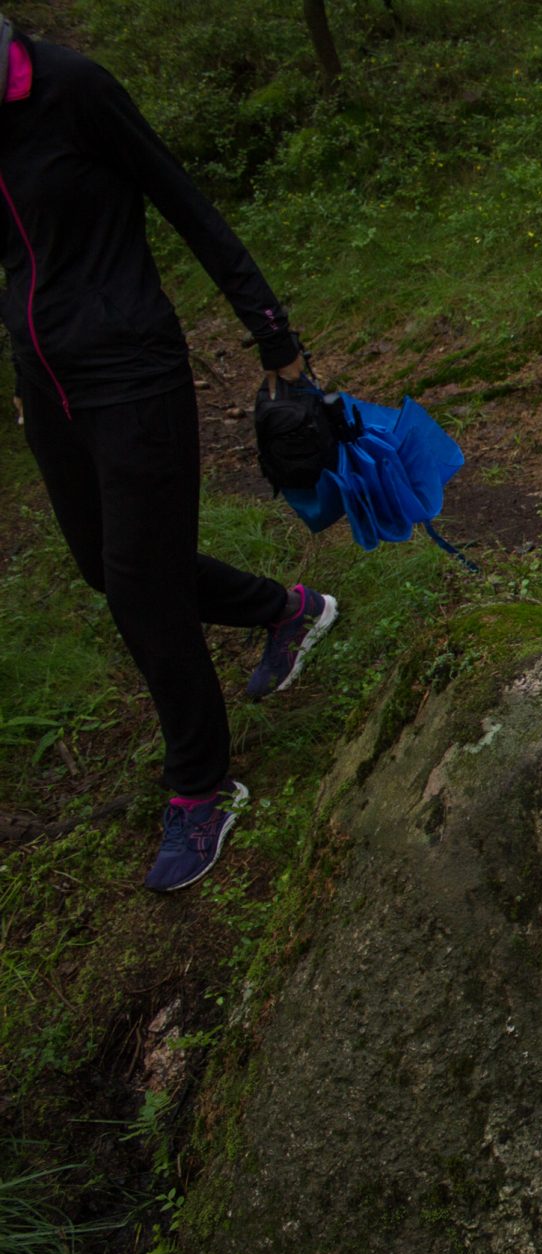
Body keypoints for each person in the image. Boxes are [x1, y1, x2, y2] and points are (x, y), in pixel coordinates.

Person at [0, 16, 337, 893]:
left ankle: (203, 786)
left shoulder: (71, 87)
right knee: (104, 566)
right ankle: (285, 608)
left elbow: (183, 201)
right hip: (48, 383)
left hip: (132, 370)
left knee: (143, 588)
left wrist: (272, 334)